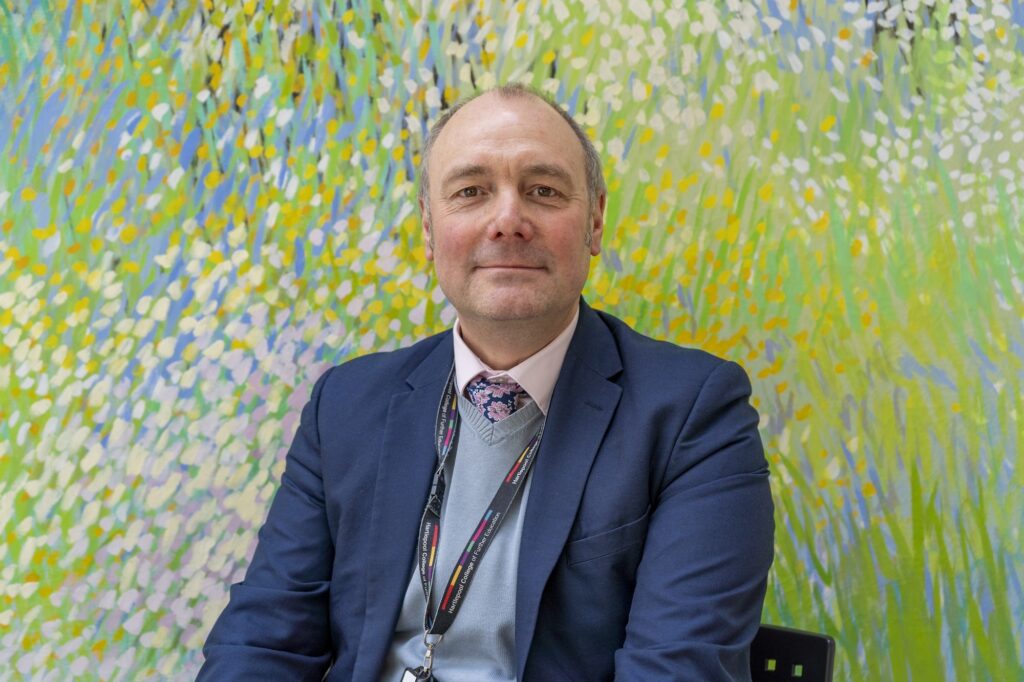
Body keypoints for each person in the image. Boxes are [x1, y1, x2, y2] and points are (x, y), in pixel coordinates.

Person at [199, 84, 774, 681]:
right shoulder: (345, 405)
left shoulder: (693, 414)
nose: (508, 220)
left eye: (543, 191)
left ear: (595, 221)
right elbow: (261, 642)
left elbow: (677, 672)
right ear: (428, 227)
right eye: (471, 191)